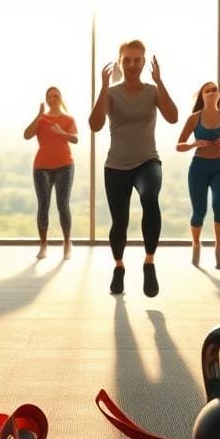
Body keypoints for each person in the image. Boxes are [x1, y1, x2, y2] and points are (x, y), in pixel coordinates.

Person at [89, 40, 178, 297]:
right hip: (116, 165)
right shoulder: (112, 93)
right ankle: (119, 267)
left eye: (137, 60)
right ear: (120, 62)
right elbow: (94, 125)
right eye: (127, 60)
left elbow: (172, 116)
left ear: (143, 62)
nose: (132, 64)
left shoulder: (152, 91)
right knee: (120, 221)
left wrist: (160, 81)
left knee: (150, 198)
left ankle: (149, 263)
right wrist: (103, 88)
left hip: (147, 161)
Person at [176, 81, 220, 270]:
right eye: (208, 90)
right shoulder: (194, 119)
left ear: (219, 95)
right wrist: (194, 144)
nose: (213, 92)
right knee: (199, 211)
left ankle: (218, 247)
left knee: (218, 206)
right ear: (202, 96)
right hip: (198, 169)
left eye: (215, 89)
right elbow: (179, 145)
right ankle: (196, 244)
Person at [23, 86, 79, 260]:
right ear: (46, 99)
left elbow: (75, 139)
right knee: (43, 205)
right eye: (50, 96)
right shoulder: (41, 119)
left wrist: (62, 132)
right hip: (42, 167)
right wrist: (38, 115)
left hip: (65, 166)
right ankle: (43, 245)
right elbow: (26, 135)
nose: (53, 98)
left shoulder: (68, 119)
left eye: (56, 96)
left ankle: (67, 243)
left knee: (63, 204)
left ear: (60, 98)